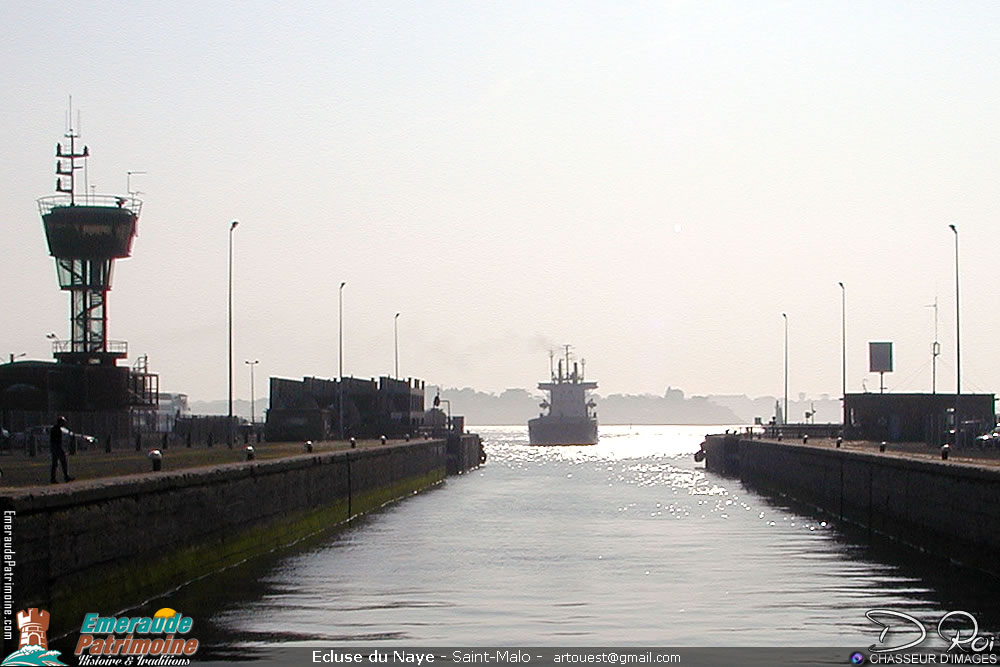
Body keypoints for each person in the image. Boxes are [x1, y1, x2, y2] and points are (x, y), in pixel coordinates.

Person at [49, 416, 74, 484]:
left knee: (56, 463)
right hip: (56, 447)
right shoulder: (56, 429)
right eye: (63, 422)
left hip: (55, 447)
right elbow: (55, 440)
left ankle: (54, 478)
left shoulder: (56, 429)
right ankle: (65, 477)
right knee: (61, 462)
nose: (64, 423)